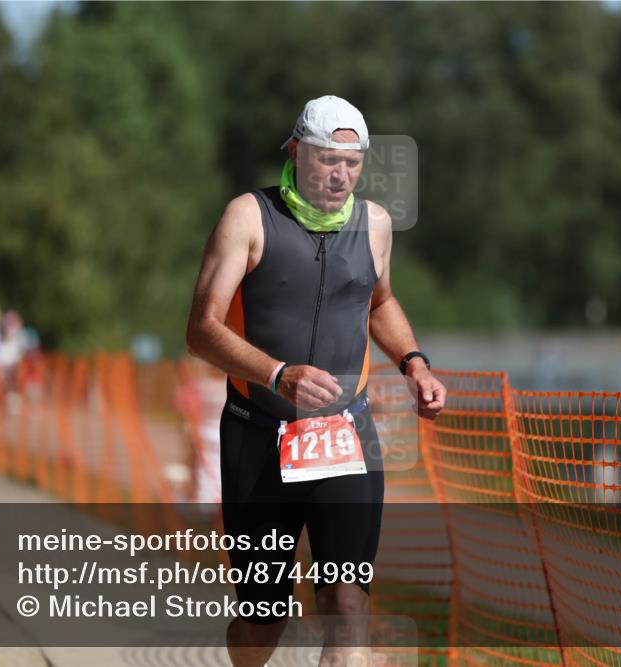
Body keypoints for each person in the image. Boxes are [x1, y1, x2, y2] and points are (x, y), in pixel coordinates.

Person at [186, 95, 446, 667]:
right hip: (259, 435)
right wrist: (278, 375)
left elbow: (378, 301)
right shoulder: (248, 217)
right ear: (297, 151)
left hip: (344, 435)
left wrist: (414, 363)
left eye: (352, 164)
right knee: (263, 618)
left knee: (347, 601)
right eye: (328, 159)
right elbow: (201, 330)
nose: (340, 174)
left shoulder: (375, 224)